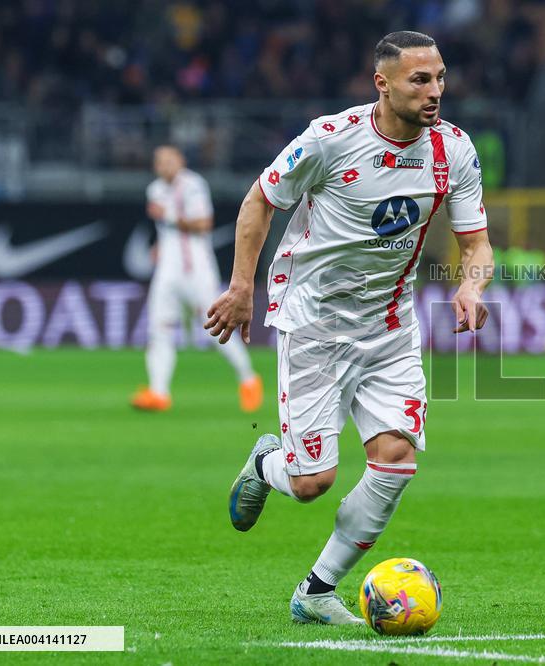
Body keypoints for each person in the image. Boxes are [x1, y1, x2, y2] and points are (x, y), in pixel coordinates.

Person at [205, 31, 494, 625]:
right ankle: (267, 463)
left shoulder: (454, 150)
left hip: (390, 327)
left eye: (440, 77)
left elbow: (477, 242)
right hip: (314, 323)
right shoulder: (331, 139)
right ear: (382, 84)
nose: (435, 91)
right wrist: (240, 288)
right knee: (313, 483)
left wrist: (472, 285)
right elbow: (260, 200)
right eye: (420, 80)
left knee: (395, 460)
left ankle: (316, 591)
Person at [131, 146, 263, 412]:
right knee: (159, 330)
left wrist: (167, 216)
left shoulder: (192, 185)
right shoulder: (155, 189)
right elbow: (169, 231)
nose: (164, 166)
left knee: (217, 327)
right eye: (159, 162)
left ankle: (248, 379)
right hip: (167, 272)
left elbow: (204, 223)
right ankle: (158, 392)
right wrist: (161, 246)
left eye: (169, 160)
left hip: (196, 271)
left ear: (180, 161)